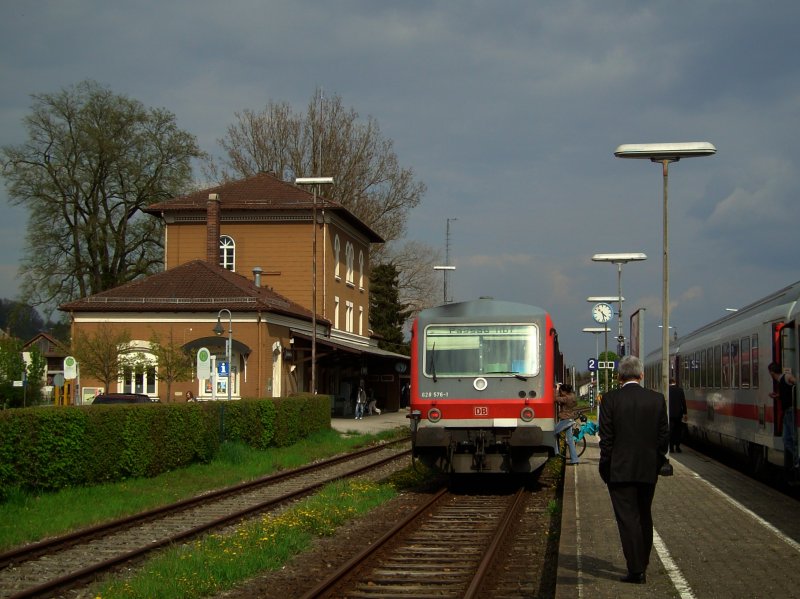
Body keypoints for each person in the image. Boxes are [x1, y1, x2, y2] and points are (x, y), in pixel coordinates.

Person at [599, 355, 669, 585]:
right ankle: (644, 562)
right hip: (648, 469)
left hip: (619, 470)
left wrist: (605, 464)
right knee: (644, 515)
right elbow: (663, 437)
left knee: (627, 519)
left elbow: (606, 438)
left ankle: (636, 569)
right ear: (641, 375)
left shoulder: (610, 400)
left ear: (619, 377)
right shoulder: (657, 400)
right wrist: (658, 460)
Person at [768, 362, 798, 477]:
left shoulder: (785, 377)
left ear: (771, 372)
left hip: (790, 412)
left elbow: (794, 382)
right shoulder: (781, 381)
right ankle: (794, 462)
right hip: (787, 412)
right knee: (786, 439)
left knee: (792, 438)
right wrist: (778, 396)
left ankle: (796, 462)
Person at [554, 383, 580, 465]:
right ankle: (574, 459)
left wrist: (557, 389)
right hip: (571, 418)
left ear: (564, 391)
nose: (561, 393)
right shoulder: (573, 396)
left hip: (565, 420)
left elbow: (555, 398)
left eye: (561, 391)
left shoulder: (565, 398)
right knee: (570, 440)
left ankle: (556, 452)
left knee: (551, 432)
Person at [668, 378, 687, 452]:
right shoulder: (680, 390)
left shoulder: (667, 390)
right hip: (678, 414)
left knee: (671, 431)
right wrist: (685, 413)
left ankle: (671, 447)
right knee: (678, 431)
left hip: (670, 414)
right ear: (675, 382)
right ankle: (678, 447)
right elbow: (683, 402)